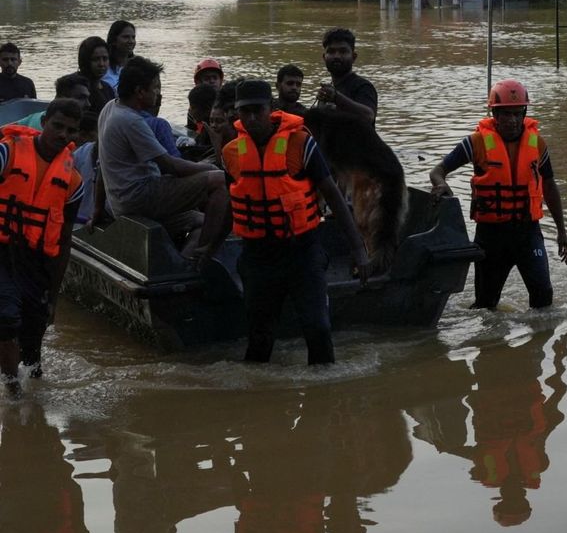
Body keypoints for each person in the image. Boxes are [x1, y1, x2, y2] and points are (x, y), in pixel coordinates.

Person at [222, 79, 368, 364]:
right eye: (244, 112)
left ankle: (324, 395)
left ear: (271, 109)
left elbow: (333, 195)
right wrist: (208, 247)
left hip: (302, 251)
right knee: (259, 337)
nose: (251, 118)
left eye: (257, 110)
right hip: (258, 254)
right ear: (237, 113)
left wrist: (359, 248)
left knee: (318, 328)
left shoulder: (300, 143)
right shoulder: (232, 153)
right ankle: (259, 399)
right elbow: (234, 203)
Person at [429, 79, 567, 310]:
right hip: (492, 236)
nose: (513, 120)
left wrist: (562, 232)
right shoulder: (475, 143)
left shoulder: (538, 144)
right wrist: (441, 185)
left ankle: (538, 343)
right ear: (495, 113)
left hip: (528, 233)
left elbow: (550, 186)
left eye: (518, 114)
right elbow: (437, 171)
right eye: (506, 114)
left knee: (544, 299)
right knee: (485, 306)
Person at [95, 55, 230, 266]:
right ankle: (204, 256)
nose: (158, 93)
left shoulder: (110, 108)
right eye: (155, 88)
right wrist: (205, 167)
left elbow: (101, 166)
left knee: (203, 221)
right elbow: (171, 165)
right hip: (141, 197)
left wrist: (97, 210)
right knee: (221, 180)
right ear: (140, 92)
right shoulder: (131, 121)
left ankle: (184, 263)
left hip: (121, 200)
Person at [0, 99, 84, 396]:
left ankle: (33, 391)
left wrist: (55, 295)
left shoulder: (73, 181)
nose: (63, 135)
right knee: (7, 318)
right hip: (1, 249)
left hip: (36, 259)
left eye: (70, 130)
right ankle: (13, 393)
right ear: (44, 122)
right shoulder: (7, 152)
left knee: (34, 333)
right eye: (57, 126)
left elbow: (64, 239)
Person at [314, 28, 376, 125]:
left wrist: (336, 97)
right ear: (324, 57)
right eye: (331, 51)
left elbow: (368, 117)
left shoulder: (363, 86)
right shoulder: (325, 93)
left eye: (343, 51)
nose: (337, 56)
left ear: (353, 57)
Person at [10, 73, 91, 129]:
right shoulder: (62, 132)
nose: (88, 104)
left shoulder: (34, 117)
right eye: (81, 98)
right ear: (62, 98)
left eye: (87, 98)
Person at [77, 36, 116, 113]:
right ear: (85, 61)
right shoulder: (74, 87)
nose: (101, 64)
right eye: (96, 59)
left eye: (105, 59)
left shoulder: (108, 89)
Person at [104, 20, 136, 90]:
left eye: (133, 37)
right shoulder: (103, 67)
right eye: (126, 37)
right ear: (114, 40)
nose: (131, 41)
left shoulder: (137, 67)